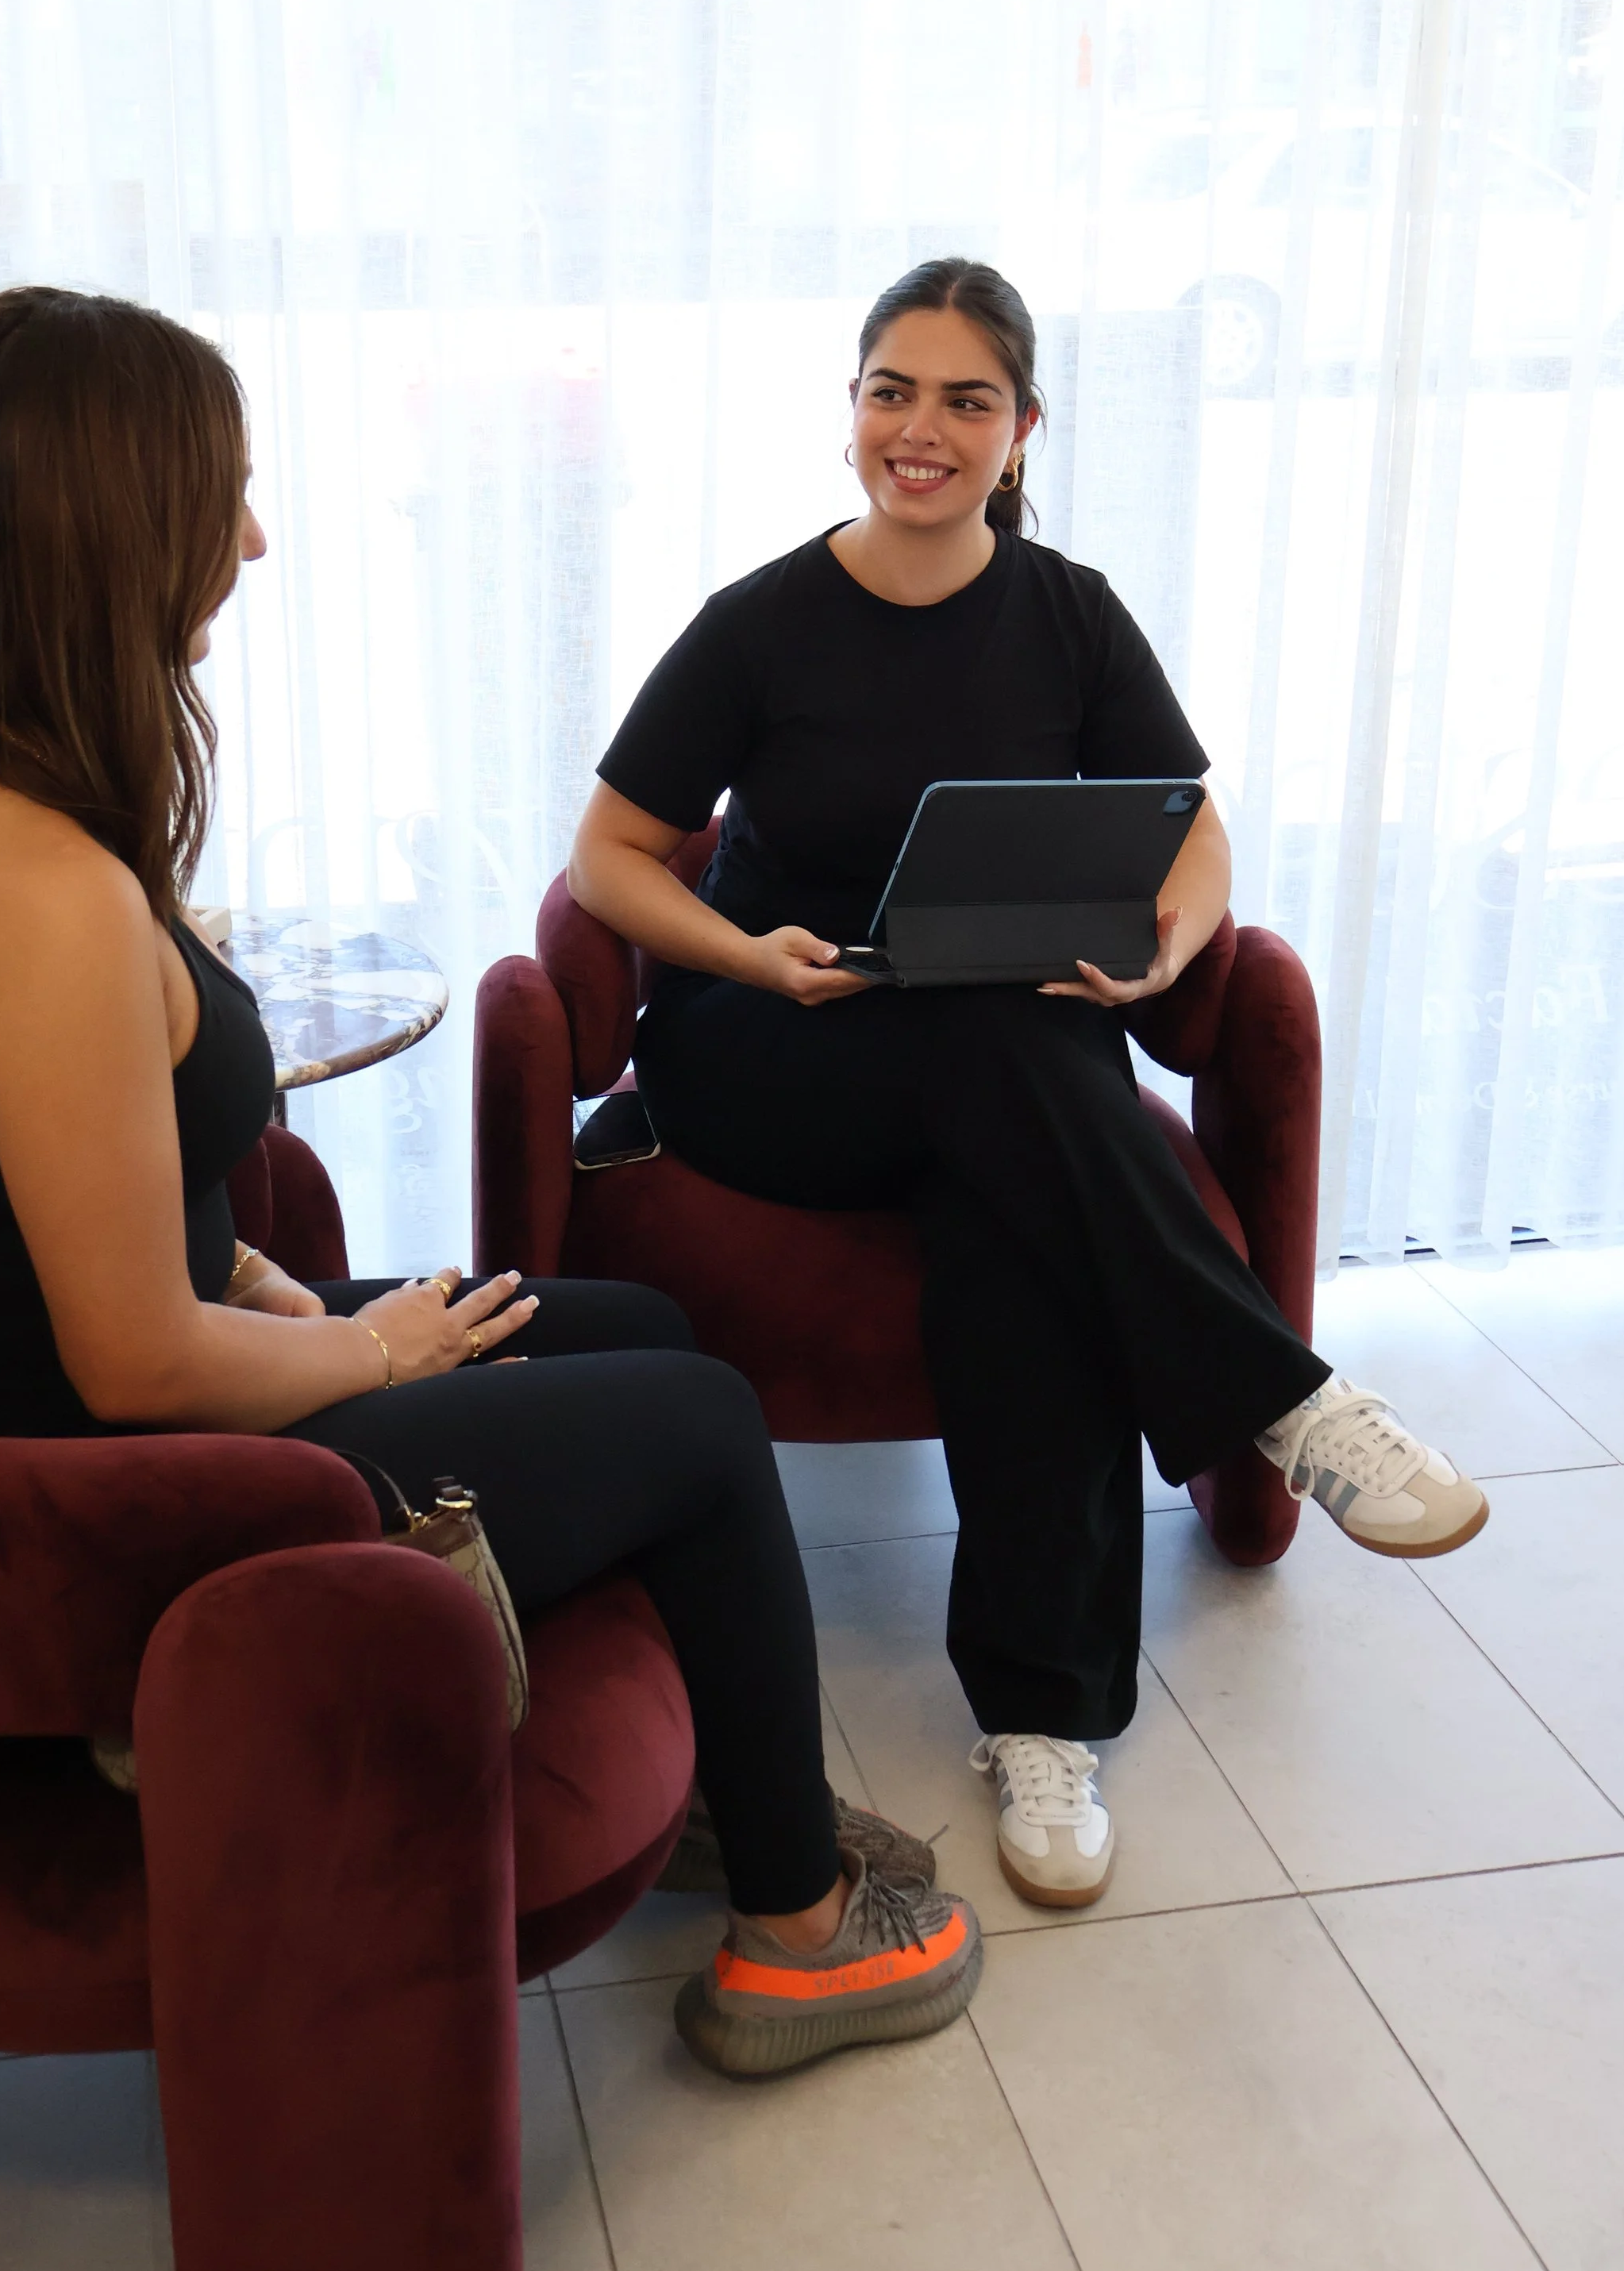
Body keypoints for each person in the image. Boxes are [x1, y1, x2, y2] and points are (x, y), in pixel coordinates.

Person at [0, 283, 979, 2079]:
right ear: (105, 526)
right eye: (223, 495)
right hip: (118, 1501)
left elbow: (85, 1209)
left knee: (634, 1322)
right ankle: (804, 1930)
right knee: (697, 1420)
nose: (251, 540)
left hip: (132, 1404)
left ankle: (717, 1795)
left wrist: (281, 1291)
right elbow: (129, 1360)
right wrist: (372, 1353)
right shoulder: (27, 889)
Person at [567, 256, 1487, 1915]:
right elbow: (608, 859)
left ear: (1022, 429)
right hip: (773, 1045)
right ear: (852, 409)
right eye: (891, 391)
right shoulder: (759, 622)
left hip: (985, 1059)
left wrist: (1159, 948)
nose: (920, 429)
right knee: (1010, 1062)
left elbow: (1191, 828)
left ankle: (1040, 1725)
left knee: (1015, 1190)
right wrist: (743, 953)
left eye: (964, 400)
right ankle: (1279, 1400)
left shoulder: (1069, 612)